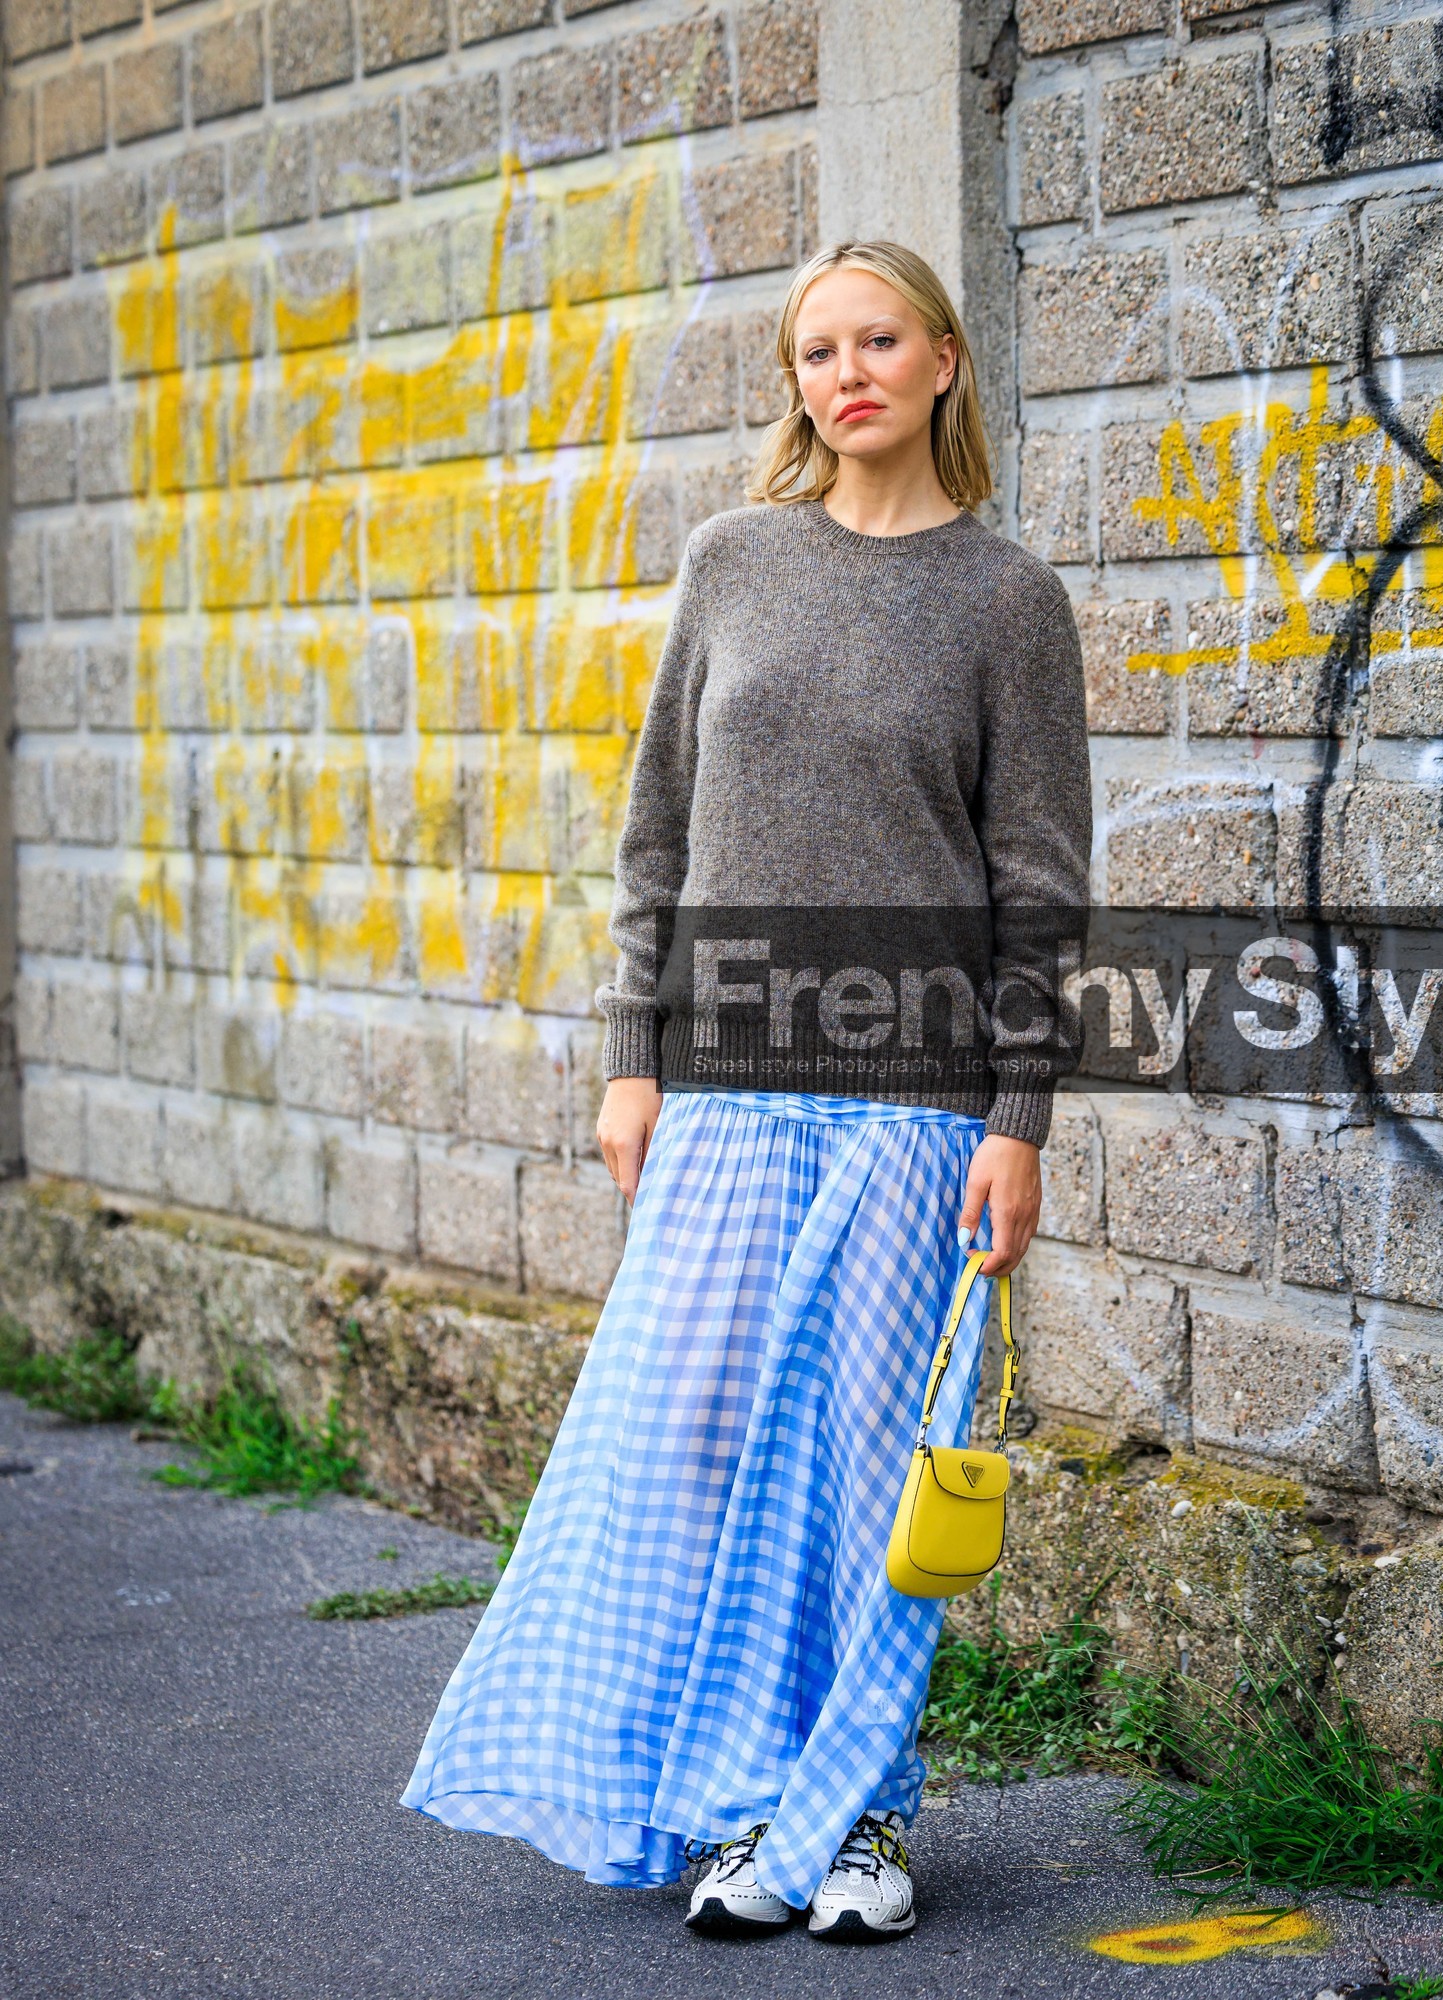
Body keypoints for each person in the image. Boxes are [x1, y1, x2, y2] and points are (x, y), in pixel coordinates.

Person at [401, 240, 1091, 1944]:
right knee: (700, 1456)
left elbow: (1042, 894)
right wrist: (634, 1063)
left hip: (920, 1109)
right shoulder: (732, 566)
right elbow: (654, 845)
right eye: (814, 350)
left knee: (863, 1475)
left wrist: (1017, 1122)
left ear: (942, 360)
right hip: (720, 1101)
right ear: (795, 380)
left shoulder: (1010, 603)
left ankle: (859, 1823)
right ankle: (731, 1813)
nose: (844, 372)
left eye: (877, 341)